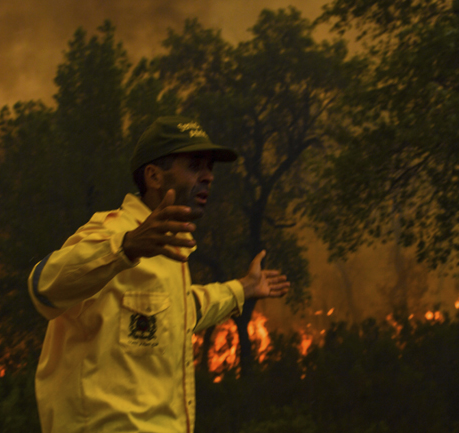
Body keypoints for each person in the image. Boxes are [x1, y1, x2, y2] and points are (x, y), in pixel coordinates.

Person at [28, 116, 290, 433]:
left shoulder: (168, 247)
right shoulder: (114, 230)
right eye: (195, 166)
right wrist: (126, 247)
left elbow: (182, 309)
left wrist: (243, 289)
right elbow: (43, 287)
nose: (208, 177)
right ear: (153, 176)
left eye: (210, 168)